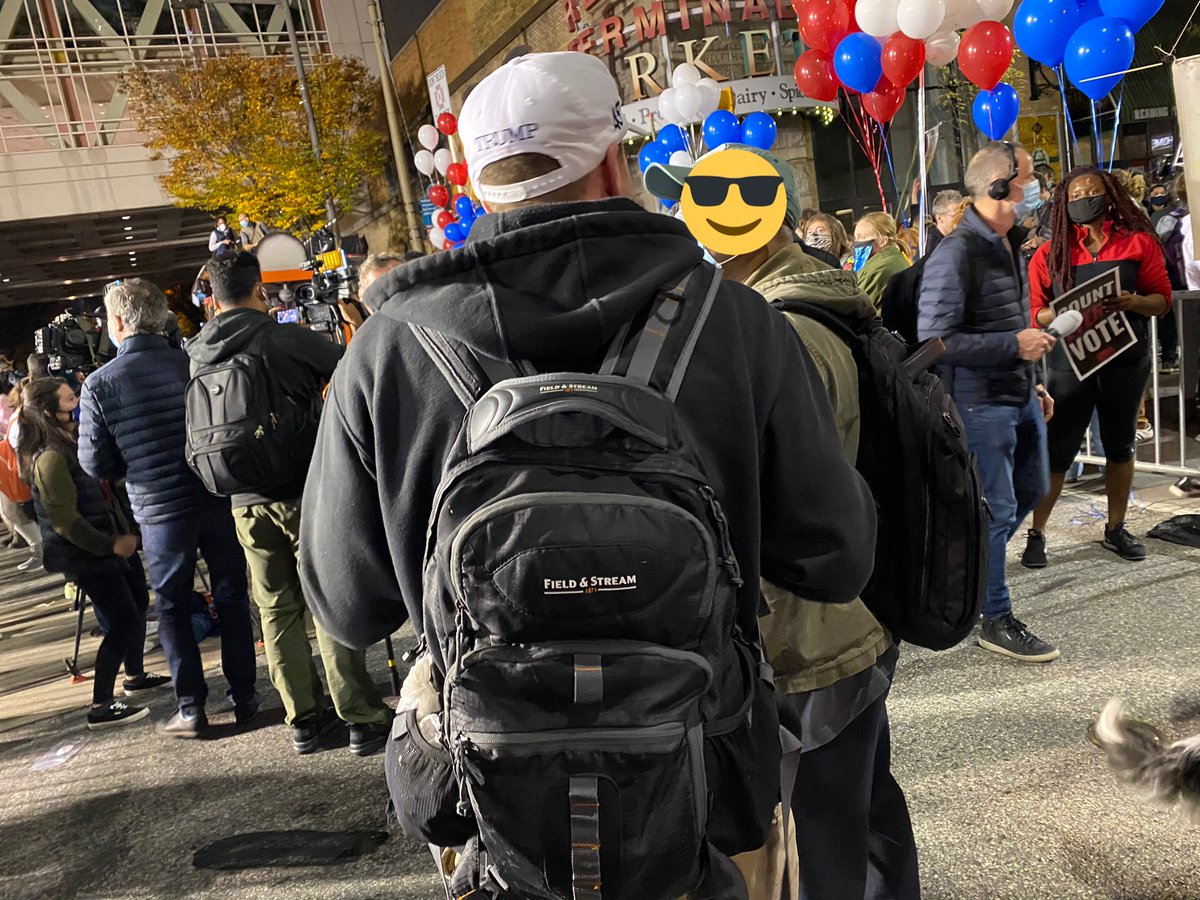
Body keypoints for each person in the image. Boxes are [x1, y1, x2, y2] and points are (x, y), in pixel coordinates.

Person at [298, 50, 876, 887]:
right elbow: (837, 556)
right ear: (614, 162)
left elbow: (347, 607)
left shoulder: (387, 351)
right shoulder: (735, 323)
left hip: (493, 802)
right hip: (705, 787)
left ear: (476, 183)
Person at [655, 143, 918, 900]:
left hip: (807, 639)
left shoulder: (775, 327)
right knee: (868, 821)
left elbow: (788, 496)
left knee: (819, 849)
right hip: (852, 622)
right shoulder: (821, 297)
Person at [187, 252, 391, 757]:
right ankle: (360, 716)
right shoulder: (280, 337)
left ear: (212, 298)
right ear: (259, 290)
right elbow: (354, 368)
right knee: (326, 598)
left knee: (275, 608)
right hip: (306, 489)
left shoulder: (197, 353)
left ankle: (303, 718)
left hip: (242, 500)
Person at [78, 279, 259, 737]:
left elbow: (96, 462)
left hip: (158, 509)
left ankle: (191, 708)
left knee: (173, 607)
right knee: (233, 597)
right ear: (161, 317)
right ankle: (245, 696)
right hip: (215, 494)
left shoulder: (100, 385)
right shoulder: (195, 363)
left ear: (117, 323)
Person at [918, 141, 1060, 662]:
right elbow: (934, 340)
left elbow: (1013, 325)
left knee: (1031, 489)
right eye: (1027, 179)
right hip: (978, 404)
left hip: (1018, 392)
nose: (1035, 188)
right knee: (996, 509)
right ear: (999, 186)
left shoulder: (1009, 242)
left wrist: (1033, 377)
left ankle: (969, 573)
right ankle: (992, 615)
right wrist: (1012, 347)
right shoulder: (956, 252)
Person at [1024, 167, 1172, 565]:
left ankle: (1115, 527)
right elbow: (1036, 311)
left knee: (1120, 445)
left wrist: (1133, 302)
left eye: (1092, 192)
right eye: (1075, 195)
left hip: (1125, 360)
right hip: (1069, 363)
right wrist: (1059, 312)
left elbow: (1162, 299)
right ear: (1062, 204)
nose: (1084, 199)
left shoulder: (1139, 243)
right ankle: (1036, 533)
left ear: (1110, 195)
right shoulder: (1048, 253)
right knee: (1058, 451)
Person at [19, 378, 170, 729]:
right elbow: (64, 521)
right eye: (70, 398)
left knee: (136, 602)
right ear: (48, 411)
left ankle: (134, 675)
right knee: (123, 621)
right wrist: (109, 545)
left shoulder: (70, 441)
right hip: (86, 552)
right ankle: (101, 704)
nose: (77, 402)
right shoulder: (51, 456)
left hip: (111, 540)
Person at [853, 212, 911, 313]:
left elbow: (855, 306)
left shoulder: (881, 268)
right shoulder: (892, 258)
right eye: (856, 238)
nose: (857, 242)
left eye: (862, 237)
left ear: (882, 241)